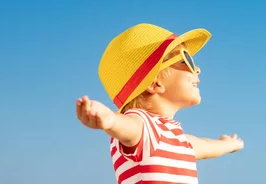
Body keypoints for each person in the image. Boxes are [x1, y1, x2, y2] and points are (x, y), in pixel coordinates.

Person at [76, 23, 244, 184]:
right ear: (154, 83)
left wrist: (228, 144)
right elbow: (127, 126)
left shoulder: (174, 137)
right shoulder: (143, 125)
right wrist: (109, 120)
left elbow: (205, 146)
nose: (197, 69)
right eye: (186, 60)